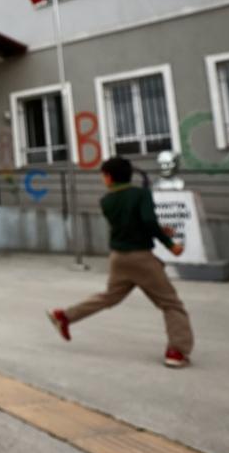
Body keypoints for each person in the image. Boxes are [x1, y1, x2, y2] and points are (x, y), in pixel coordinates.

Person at [49, 156, 194, 368]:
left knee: (109, 297)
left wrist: (159, 230)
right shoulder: (141, 194)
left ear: (108, 177)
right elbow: (147, 221)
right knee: (171, 304)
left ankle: (64, 316)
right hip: (141, 258)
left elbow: (133, 224)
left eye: (102, 176)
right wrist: (170, 244)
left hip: (119, 258)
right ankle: (177, 351)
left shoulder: (106, 201)